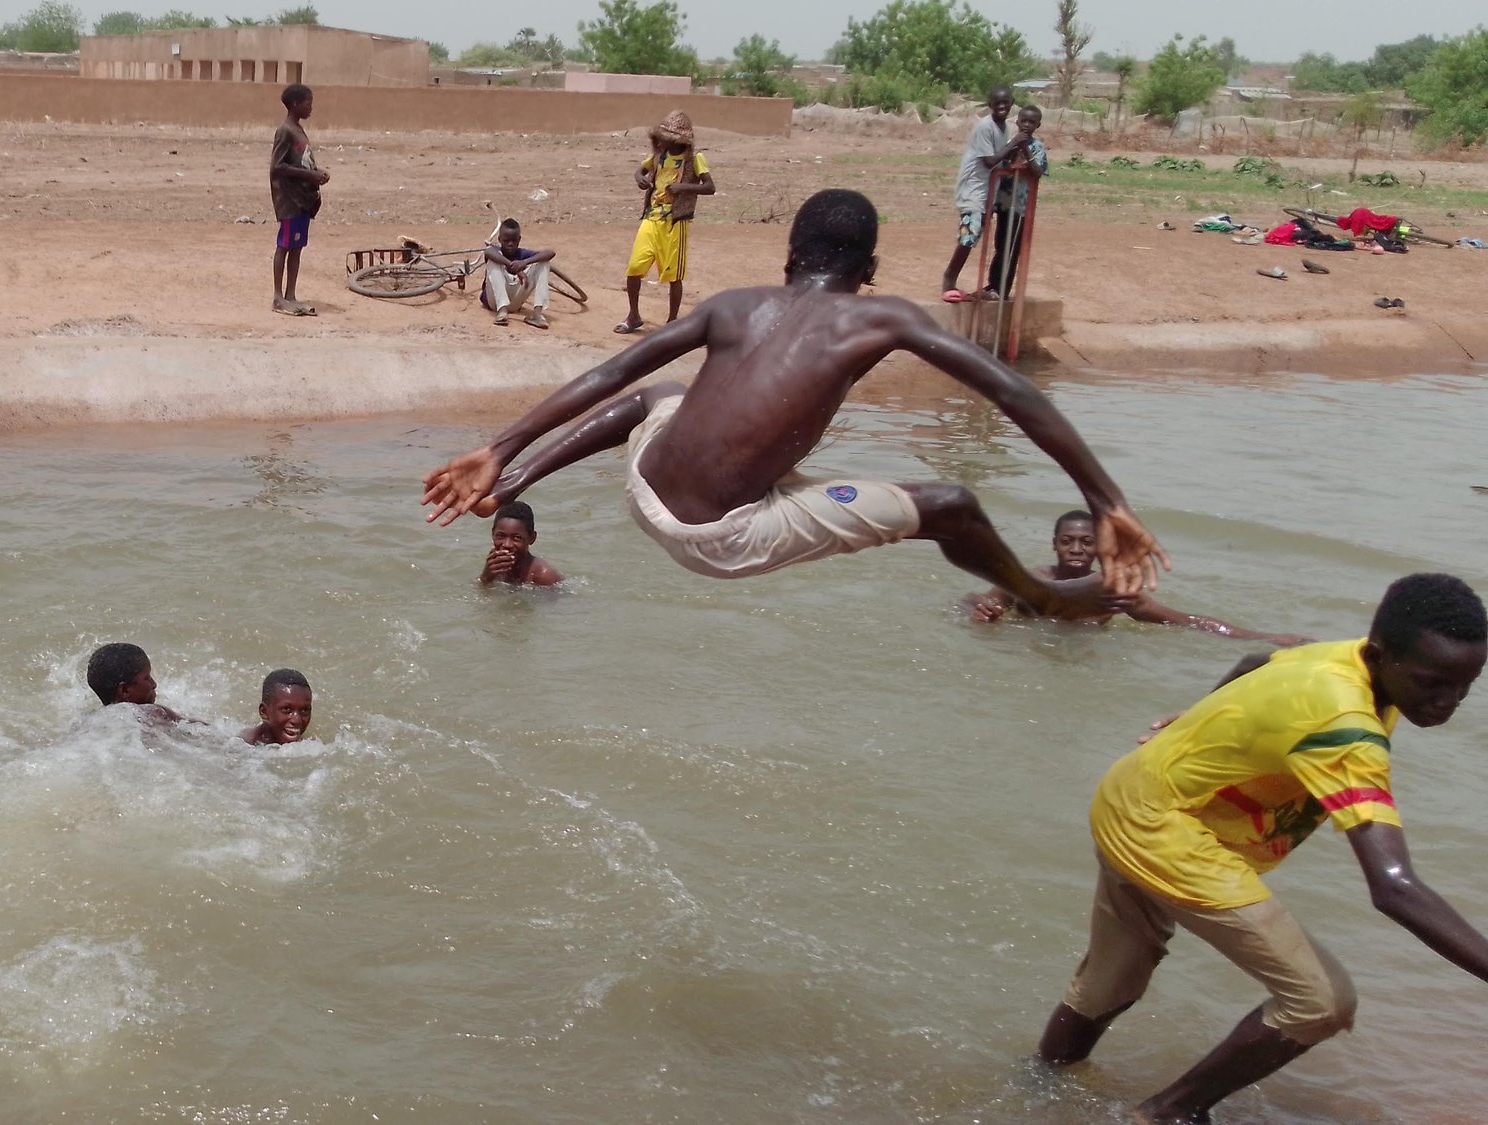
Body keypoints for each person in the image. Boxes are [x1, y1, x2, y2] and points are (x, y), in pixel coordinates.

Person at [420, 188, 1165, 619]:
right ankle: (1045, 597)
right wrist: (1106, 500)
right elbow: (1012, 390)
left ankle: (513, 487)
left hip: (645, 484)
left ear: (788, 254)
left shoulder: (738, 303)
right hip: (726, 535)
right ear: (869, 268)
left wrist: (500, 449)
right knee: (951, 503)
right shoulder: (884, 318)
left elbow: (615, 372)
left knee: (661, 392)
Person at [1035, 574, 1488, 1124]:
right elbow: (1393, 887)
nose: (1449, 702)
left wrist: (1201, 717)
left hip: (1133, 792)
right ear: (1380, 655)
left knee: (1117, 972)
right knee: (1322, 1002)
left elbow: (1258, 661)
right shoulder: (1345, 726)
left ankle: (1039, 1088)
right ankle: (1169, 1113)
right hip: (1166, 834)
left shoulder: (1341, 659)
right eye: (1432, 683)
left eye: (1466, 685)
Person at [964, 510, 1311, 644]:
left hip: (1084, 657)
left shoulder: (1112, 591)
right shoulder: (1030, 580)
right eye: (1067, 541)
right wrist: (981, 612)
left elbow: (1184, 621)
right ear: (1054, 545)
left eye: (1087, 542)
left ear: (1101, 548)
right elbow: (976, 600)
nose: (1076, 549)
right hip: (1030, 651)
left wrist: (1265, 636)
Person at [619, 110, 714, 334]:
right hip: (651, 218)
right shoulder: (658, 156)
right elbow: (640, 170)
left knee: (674, 275)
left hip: (676, 222)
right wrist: (640, 179)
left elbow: (710, 187)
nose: (663, 141)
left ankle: (672, 322)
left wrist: (684, 187)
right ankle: (633, 316)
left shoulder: (694, 159)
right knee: (634, 267)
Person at [941, 86, 1029, 303]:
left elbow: (1002, 159)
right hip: (973, 188)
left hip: (987, 190)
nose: (1002, 107)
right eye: (997, 103)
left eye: (1005, 103)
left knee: (974, 234)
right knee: (969, 234)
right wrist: (1014, 144)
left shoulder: (1003, 128)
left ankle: (954, 279)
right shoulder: (985, 127)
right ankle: (949, 279)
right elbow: (989, 161)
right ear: (990, 105)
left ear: (1011, 103)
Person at [269, 83, 329, 318]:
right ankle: (277, 297)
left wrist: (317, 174)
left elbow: (300, 161)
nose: (311, 107)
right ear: (295, 104)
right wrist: (309, 175)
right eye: (307, 102)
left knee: (297, 248)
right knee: (284, 246)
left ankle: (290, 295)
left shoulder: (298, 130)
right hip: (290, 200)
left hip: (303, 199)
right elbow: (278, 166)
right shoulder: (285, 131)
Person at [985, 104, 1049, 300]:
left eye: (1032, 122)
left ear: (1038, 125)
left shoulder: (1037, 148)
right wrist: (1014, 144)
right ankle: (993, 285)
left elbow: (1037, 172)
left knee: (1012, 249)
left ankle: (1002, 289)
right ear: (1017, 121)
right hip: (1004, 202)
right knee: (1000, 244)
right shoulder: (1008, 142)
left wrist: (1025, 150)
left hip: (1021, 206)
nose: (1027, 125)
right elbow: (997, 163)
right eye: (1024, 121)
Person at [480, 219, 557, 330]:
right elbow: (488, 251)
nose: (510, 244)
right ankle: (502, 312)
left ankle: (537, 314)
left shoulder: (522, 253)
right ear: (500, 239)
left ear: (519, 240)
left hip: (515, 302)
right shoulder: (495, 250)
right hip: (494, 304)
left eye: (514, 241)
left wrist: (524, 263)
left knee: (543, 263)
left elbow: (550, 253)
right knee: (494, 262)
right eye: (506, 241)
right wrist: (515, 268)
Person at [87, 642, 186, 723]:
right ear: (125, 690)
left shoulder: (92, 720)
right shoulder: (153, 712)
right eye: (147, 678)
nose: (154, 684)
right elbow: (195, 728)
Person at [479, 500, 563, 587]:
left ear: (532, 538)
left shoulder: (544, 576)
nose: (507, 544)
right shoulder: (494, 565)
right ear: (493, 534)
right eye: (501, 536)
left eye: (517, 538)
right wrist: (486, 577)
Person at [242, 669, 314, 745]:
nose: (297, 720)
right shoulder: (245, 747)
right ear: (264, 712)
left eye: (304, 710)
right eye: (287, 709)